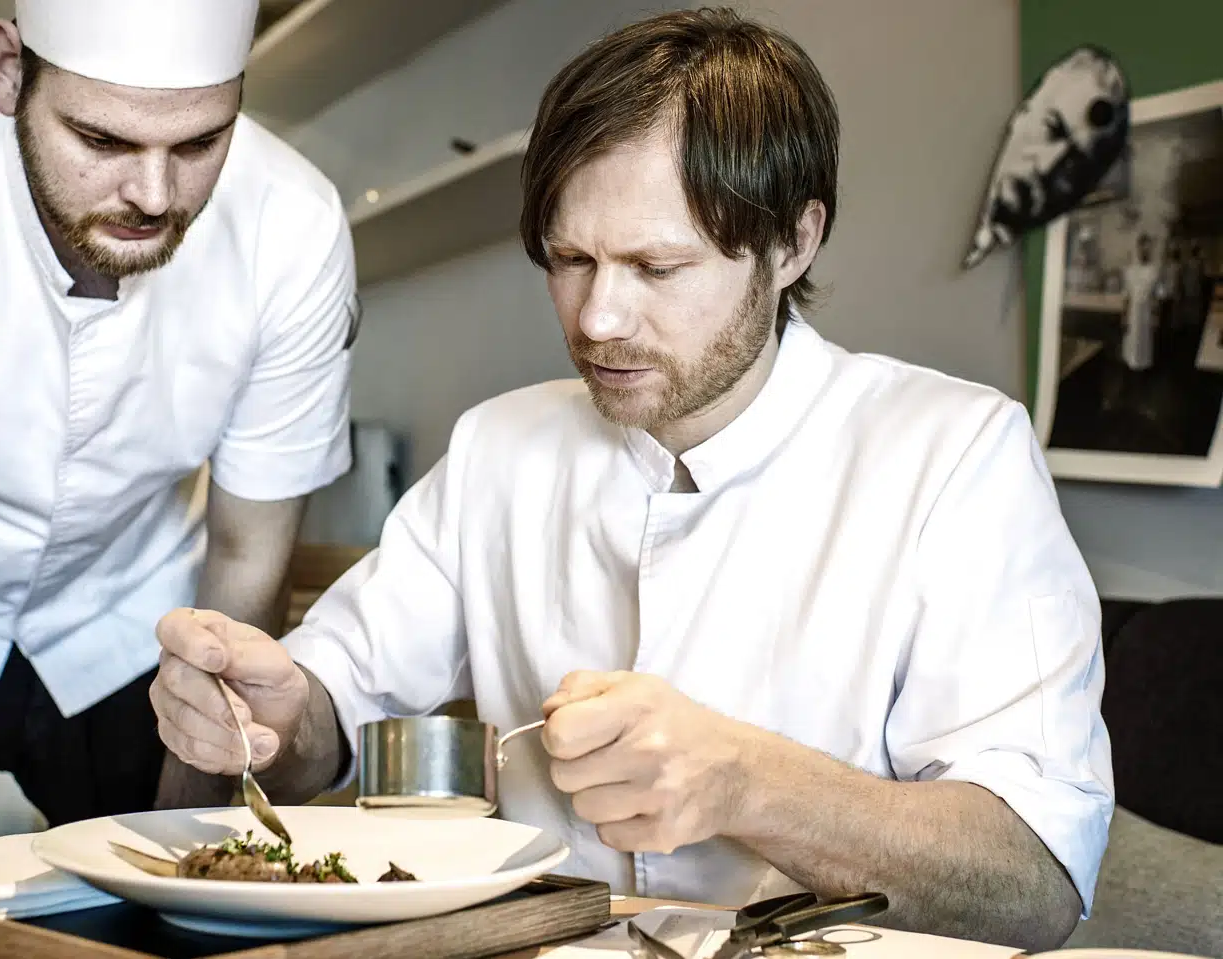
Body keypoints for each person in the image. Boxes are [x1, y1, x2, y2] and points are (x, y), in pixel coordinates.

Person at [150, 9, 1112, 952]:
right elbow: (331, 711)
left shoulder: (955, 455)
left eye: (658, 266)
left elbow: (1033, 879)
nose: (600, 319)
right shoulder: (500, 447)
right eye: (570, 260)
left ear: (794, 242)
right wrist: (277, 713)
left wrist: (745, 779)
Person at [0, 0, 358, 904]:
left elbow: (250, 553)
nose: (155, 195)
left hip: (136, 621)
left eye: (202, 143)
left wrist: (186, 854)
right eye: (102, 139)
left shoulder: (298, 226)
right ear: (9, 69)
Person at [1121, 233, 1162, 372]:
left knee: (1144, 342)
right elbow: (1126, 294)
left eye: (1147, 248)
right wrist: (1124, 315)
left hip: (1147, 311)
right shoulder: (1130, 270)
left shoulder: (1154, 270)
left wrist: (1156, 315)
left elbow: (1157, 295)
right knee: (1131, 340)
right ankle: (1130, 367)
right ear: (1137, 249)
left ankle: (1143, 369)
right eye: (1141, 247)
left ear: (1150, 250)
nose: (1144, 251)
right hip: (1132, 311)